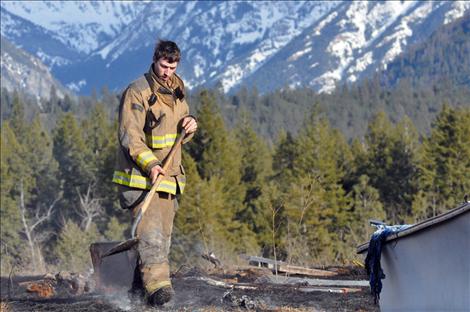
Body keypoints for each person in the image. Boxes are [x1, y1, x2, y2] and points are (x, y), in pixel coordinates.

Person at [112, 40, 197, 306]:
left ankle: (138, 296)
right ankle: (160, 291)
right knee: (150, 237)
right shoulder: (136, 92)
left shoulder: (178, 90)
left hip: (169, 179)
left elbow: (176, 133)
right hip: (141, 179)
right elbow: (130, 136)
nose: (167, 72)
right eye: (163, 65)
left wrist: (190, 126)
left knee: (163, 239)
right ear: (155, 60)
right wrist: (151, 165)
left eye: (172, 67)